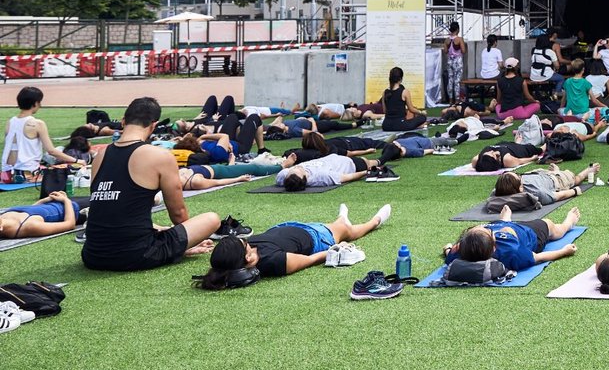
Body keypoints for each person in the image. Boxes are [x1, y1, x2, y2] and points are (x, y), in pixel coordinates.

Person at [81, 97, 222, 271]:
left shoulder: (100, 156)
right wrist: (186, 242)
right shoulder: (160, 156)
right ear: (153, 126)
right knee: (211, 219)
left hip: (93, 255)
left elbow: (109, 210)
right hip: (137, 254)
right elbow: (178, 214)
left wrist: (161, 229)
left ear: (123, 122)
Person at [198, 203, 393, 289]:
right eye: (245, 244)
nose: (246, 242)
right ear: (247, 258)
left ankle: (342, 218)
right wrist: (335, 249)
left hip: (290, 228)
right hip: (317, 238)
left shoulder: (233, 256)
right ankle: (374, 221)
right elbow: (310, 259)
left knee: (339, 224)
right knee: (345, 230)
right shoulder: (273, 262)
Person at [441, 209, 584, 284]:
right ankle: (568, 223)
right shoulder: (512, 252)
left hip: (502, 226)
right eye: (485, 230)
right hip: (529, 234)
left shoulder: (460, 251)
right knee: (550, 225)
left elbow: (449, 253)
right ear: (494, 247)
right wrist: (564, 251)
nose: (480, 225)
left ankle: (505, 219)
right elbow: (538, 257)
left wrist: (447, 248)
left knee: (502, 225)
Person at [3, 86, 85, 180]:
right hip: (28, 174)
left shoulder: (10, 122)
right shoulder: (38, 124)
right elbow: (51, 151)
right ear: (35, 103)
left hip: (7, 175)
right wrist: (77, 160)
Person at [484, 163, 601, 215]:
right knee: (575, 180)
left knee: (552, 172)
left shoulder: (500, 189)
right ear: (520, 188)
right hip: (556, 180)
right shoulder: (536, 193)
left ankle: (555, 170)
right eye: (519, 178)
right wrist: (574, 191)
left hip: (537, 173)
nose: (520, 177)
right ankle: (588, 171)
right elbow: (558, 195)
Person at [1, 191, 84, 240]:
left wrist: (45, 200)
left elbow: (29, 210)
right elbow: (70, 224)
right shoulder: (30, 227)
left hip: (57, 201)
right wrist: (66, 201)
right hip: (76, 208)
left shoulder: (4, 217)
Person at [276, 153, 372, 192]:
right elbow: (348, 177)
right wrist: (365, 172)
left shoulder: (283, 176)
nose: (298, 166)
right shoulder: (321, 177)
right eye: (299, 169)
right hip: (349, 163)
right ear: (305, 178)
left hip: (331, 157)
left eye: (294, 167)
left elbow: (284, 172)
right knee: (368, 161)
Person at [381, 67, 427, 132]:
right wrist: (421, 112)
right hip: (400, 125)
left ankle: (418, 125)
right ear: (400, 79)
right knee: (422, 118)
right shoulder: (404, 92)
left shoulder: (385, 92)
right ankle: (419, 125)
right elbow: (411, 109)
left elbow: (385, 111)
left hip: (386, 125)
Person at [442, 21, 467, 103]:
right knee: (457, 81)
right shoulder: (459, 39)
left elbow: (445, 51)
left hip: (450, 60)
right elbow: (463, 51)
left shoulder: (447, 40)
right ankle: (457, 100)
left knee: (450, 80)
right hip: (458, 61)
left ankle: (450, 100)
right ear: (457, 29)